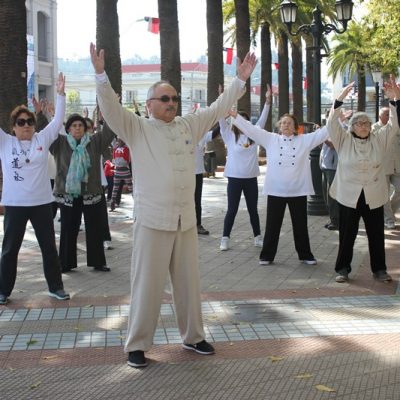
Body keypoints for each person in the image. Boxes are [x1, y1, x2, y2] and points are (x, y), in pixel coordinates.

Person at [90, 42, 257, 368]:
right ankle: (137, 345)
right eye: (164, 99)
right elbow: (110, 108)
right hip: (152, 220)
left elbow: (217, 108)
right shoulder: (136, 127)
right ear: (150, 104)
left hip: (185, 221)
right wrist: (100, 75)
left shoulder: (187, 125)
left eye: (174, 99)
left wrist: (239, 81)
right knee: (146, 286)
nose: (171, 103)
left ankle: (194, 337)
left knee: (189, 285)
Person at [0, 73, 70, 305]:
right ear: (13, 127)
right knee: (9, 250)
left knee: (49, 248)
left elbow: (58, 121)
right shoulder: (5, 143)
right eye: (21, 122)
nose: (26, 126)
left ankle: (56, 287)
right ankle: (3, 291)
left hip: (41, 204)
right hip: (15, 205)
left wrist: (60, 95)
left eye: (29, 121)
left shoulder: (42, 139)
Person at [230, 111, 329, 265]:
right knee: (272, 224)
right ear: (279, 126)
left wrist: (337, 117)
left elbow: (323, 133)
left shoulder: (304, 140)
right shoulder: (271, 139)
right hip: (276, 189)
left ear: (295, 127)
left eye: (289, 123)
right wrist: (235, 116)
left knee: (300, 225)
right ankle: (267, 256)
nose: (286, 125)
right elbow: (252, 130)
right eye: (283, 123)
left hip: (298, 189)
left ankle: (305, 255)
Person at [327, 78, 400, 283]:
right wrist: (340, 98)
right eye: (359, 123)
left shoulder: (379, 139)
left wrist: (395, 99)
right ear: (351, 127)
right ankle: (342, 269)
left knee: (376, 235)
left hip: (374, 196)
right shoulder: (343, 140)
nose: (364, 126)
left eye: (367, 123)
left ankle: (379, 270)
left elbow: (394, 126)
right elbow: (332, 121)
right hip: (349, 196)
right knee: (347, 235)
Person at [50, 113, 115, 272]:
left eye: (80, 125)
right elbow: (46, 133)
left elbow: (109, 132)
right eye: (74, 126)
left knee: (94, 228)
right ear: (68, 129)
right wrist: (43, 115)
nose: (78, 128)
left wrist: (109, 110)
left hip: (91, 192)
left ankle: (98, 262)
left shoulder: (94, 142)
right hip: (69, 194)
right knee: (68, 228)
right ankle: (65, 263)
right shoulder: (60, 143)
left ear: (85, 129)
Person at [219, 86, 271, 251]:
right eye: (238, 120)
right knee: (232, 210)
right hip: (234, 179)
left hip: (250, 179)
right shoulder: (229, 136)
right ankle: (225, 238)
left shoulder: (253, 136)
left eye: (244, 120)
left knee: (252, 210)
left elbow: (262, 121)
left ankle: (257, 237)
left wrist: (268, 101)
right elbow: (221, 118)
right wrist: (222, 97)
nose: (240, 123)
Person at [371, 106, 400, 230]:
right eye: (387, 114)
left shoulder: (396, 127)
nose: (389, 116)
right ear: (380, 116)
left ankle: (390, 214)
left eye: (390, 114)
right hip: (382, 166)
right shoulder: (374, 129)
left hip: (396, 164)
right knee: (384, 194)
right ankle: (388, 220)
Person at [110, 137, 133, 211]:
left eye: (121, 140)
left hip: (125, 170)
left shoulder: (127, 147)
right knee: (115, 188)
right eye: (118, 140)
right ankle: (113, 202)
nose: (119, 141)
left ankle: (136, 202)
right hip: (117, 171)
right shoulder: (115, 148)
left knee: (131, 188)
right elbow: (112, 139)